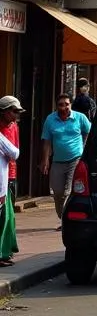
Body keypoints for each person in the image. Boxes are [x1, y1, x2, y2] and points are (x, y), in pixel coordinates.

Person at [40, 93, 90, 224]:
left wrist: (84, 148)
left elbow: (89, 132)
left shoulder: (80, 118)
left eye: (66, 104)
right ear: (57, 107)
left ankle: (67, 222)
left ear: (71, 105)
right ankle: (63, 217)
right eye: (61, 105)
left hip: (75, 159)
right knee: (57, 192)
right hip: (57, 161)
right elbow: (46, 142)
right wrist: (45, 160)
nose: (64, 107)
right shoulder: (50, 120)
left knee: (68, 191)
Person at [0, 97, 22, 266]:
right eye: (14, 111)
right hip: (2, 176)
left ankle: (6, 250)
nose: (16, 115)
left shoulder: (14, 127)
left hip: (10, 173)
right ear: (4, 111)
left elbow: (15, 152)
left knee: (9, 216)